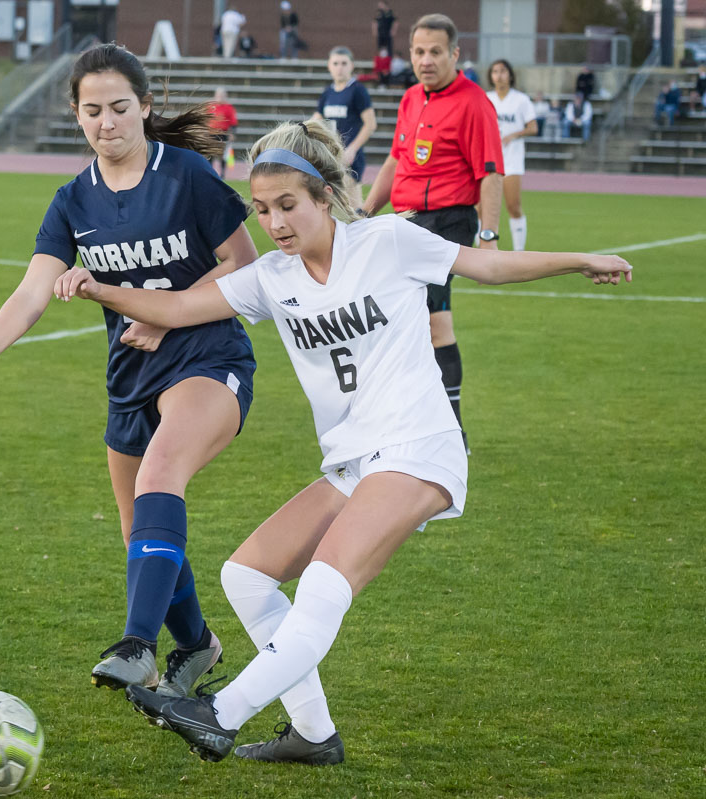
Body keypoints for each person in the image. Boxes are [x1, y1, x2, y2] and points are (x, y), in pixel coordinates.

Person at [52, 118, 632, 764]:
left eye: (288, 205)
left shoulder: (385, 241)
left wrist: (580, 258)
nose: (274, 223)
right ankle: (313, 733)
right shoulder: (273, 277)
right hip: (353, 462)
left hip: (418, 446)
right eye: (264, 209)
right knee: (245, 574)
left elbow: (486, 266)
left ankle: (220, 711)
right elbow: (180, 309)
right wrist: (96, 286)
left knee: (326, 582)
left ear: (324, 197)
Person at [0, 43, 260, 699]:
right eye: (93, 111)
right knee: (139, 526)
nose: (107, 123)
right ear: (76, 115)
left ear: (144, 108)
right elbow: (34, 289)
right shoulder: (72, 202)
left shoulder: (188, 177)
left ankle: (138, 645)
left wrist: (170, 312)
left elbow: (248, 266)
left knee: (160, 473)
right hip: (130, 376)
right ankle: (197, 645)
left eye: (120, 108)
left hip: (208, 359)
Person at [360, 13, 503, 455]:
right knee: (401, 321)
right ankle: (417, 421)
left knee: (435, 323)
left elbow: (492, 172)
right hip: (407, 223)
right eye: (418, 52)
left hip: (448, 223)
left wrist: (490, 235)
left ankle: (451, 432)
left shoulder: (475, 102)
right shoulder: (409, 99)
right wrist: (365, 211)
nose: (425, 60)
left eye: (435, 52)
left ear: (455, 54)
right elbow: (395, 162)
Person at [310, 46, 376, 210]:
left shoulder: (358, 90)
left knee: (352, 209)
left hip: (349, 159)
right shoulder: (328, 92)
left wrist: (352, 149)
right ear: (329, 66)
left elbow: (370, 124)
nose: (340, 68)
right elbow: (316, 120)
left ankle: (362, 233)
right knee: (327, 208)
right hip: (330, 157)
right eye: (336, 63)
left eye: (344, 63)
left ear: (351, 66)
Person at [487, 59, 537, 251]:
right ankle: (483, 250)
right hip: (489, 160)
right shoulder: (486, 98)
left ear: (510, 74)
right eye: (495, 71)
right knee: (483, 209)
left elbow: (533, 127)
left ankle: (519, 252)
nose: (499, 75)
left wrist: (514, 135)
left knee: (513, 206)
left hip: (512, 160)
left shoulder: (521, 100)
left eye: (503, 71)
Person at [208, 87, 239, 179]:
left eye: (222, 95)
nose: (220, 97)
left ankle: (222, 173)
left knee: (224, 155)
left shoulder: (229, 108)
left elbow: (233, 123)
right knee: (210, 154)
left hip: (223, 133)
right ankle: (210, 171)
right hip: (211, 133)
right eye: (218, 95)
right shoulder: (210, 107)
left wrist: (232, 134)